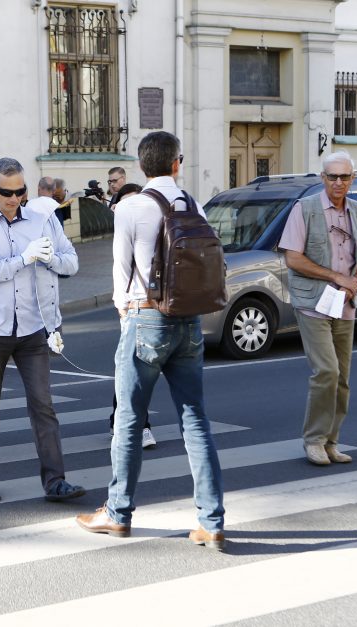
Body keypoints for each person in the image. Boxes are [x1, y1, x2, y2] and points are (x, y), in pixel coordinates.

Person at [76, 131, 226, 550]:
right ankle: (211, 520)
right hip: (189, 319)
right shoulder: (190, 203)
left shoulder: (131, 206)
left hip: (145, 317)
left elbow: (120, 270)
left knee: (128, 418)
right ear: (177, 163)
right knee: (194, 418)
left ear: (142, 167)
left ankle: (118, 513)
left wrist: (126, 315)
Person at [0, 157, 84, 503]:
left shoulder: (42, 219)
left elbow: (71, 262)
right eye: (7, 193)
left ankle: (55, 481)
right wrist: (23, 260)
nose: (15, 199)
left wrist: (47, 259)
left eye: (20, 191)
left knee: (43, 406)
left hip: (33, 327)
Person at [279, 151, 357, 466]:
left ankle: (332, 441)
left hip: (344, 304)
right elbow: (293, 258)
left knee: (343, 377)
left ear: (352, 180)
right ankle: (314, 440)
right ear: (322, 178)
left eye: (344, 177)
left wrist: (352, 283)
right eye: (332, 176)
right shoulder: (304, 210)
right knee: (326, 371)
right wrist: (335, 277)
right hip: (313, 302)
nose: (338, 182)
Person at [105, 182, 156, 449]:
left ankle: (122, 421)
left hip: (155, 305)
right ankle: (135, 425)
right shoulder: (122, 231)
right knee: (129, 371)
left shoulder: (153, 221)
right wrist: (122, 306)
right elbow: (120, 267)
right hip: (131, 306)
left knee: (138, 371)